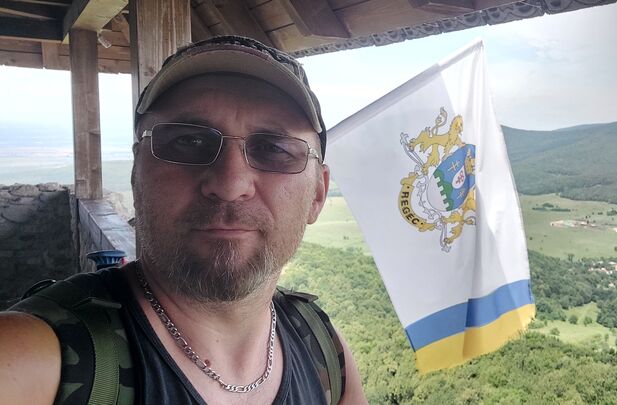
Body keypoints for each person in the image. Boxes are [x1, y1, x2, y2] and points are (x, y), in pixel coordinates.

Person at [0, 36, 366, 404]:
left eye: (273, 148)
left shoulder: (325, 352)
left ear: (317, 194)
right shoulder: (37, 357)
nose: (230, 184)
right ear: (137, 175)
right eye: (188, 142)